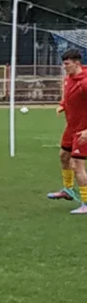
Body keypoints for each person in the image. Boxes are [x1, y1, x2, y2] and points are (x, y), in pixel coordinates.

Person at [50, 48, 87, 208]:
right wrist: (62, 105)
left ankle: (86, 203)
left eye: (67, 64)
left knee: (78, 165)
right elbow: (68, 96)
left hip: (83, 130)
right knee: (64, 156)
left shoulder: (85, 82)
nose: (64, 67)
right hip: (71, 128)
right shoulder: (68, 79)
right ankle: (68, 190)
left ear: (77, 63)